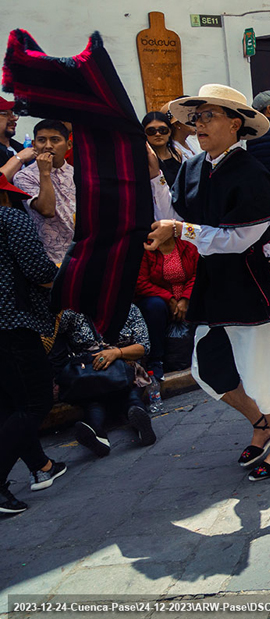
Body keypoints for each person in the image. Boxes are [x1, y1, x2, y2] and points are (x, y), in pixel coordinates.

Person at [146, 84, 270, 482]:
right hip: (214, 283)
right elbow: (173, 209)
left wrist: (181, 230)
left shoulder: (253, 174)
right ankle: (260, 423)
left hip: (251, 283)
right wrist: (153, 179)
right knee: (207, 367)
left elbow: (240, 239)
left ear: (235, 124)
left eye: (208, 116)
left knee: (261, 367)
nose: (199, 124)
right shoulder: (195, 167)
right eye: (196, 118)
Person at [0, 176, 66, 514]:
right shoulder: (10, 217)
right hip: (14, 323)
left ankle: (41, 465)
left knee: (11, 405)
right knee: (35, 402)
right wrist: (64, 272)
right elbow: (38, 269)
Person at [54, 306, 155, 457]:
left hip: (124, 370)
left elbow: (143, 347)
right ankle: (96, 436)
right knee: (94, 405)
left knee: (131, 398)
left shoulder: (129, 309)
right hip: (89, 375)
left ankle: (142, 427)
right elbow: (51, 331)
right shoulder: (73, 313)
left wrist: (116, 353)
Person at [135, 235, 198, 381]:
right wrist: (168, 298)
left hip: (186, 296)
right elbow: (140, 282)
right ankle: (155, 360)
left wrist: (185, 298)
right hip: (159, 300)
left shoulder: (187, 243)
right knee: (154, 307)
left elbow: (197, 273)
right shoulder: (145, 247)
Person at [13, 119, 75, 264]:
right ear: (34, 145)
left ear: (69, 145)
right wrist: (44, 173)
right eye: (42, 140)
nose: (48, 146)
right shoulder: (24, 176)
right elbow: (47, 210)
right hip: (50, 258)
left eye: (55, 140)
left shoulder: (77, 173)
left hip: (81, 252)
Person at [142, 111, 182, 186]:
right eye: (151, 131)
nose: (158, 134)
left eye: (163, 130)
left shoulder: (176, 154)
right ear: (144, 133)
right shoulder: (144, 158)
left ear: (169, 132)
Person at [0, 98, 34, 183]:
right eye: (5, 114)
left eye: (13, 114)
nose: (14, 119)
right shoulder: (23, 154)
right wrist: (20, 158)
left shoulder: (20, 147)